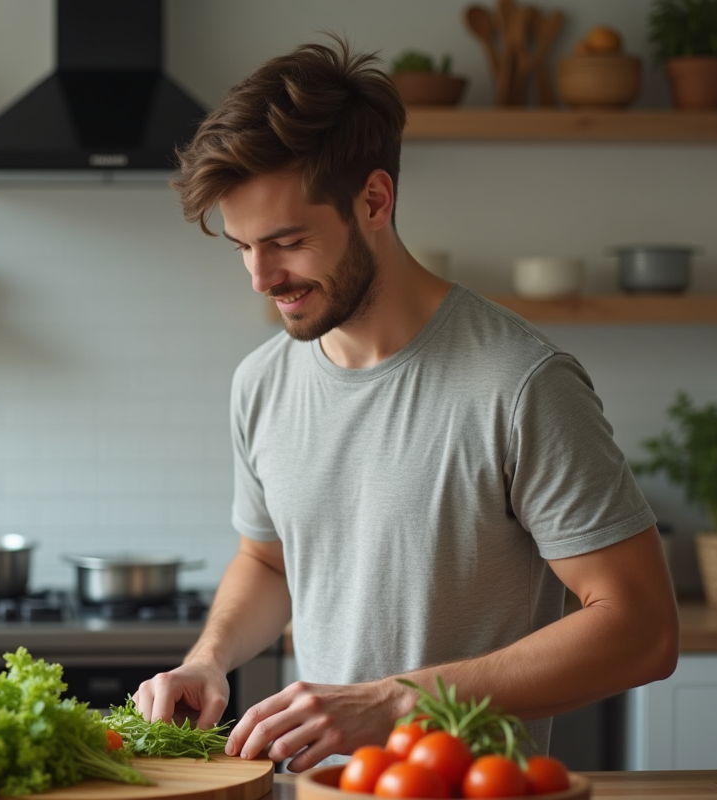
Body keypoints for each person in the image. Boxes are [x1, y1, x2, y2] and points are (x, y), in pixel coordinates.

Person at [134, 36, 679, 773]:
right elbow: (267, 561)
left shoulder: (519, 384)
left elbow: (643, 630)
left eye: (287, 242)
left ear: (375, 200)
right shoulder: (261, 382)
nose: (261, 278)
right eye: (241, 247)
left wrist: (394, 701)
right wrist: (209, 660)